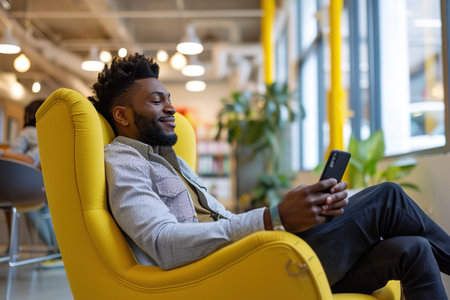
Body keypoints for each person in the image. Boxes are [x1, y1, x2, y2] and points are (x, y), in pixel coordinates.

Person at [89, 53, 449, 300]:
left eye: (168, 97)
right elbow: (165, 245)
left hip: (250, 259)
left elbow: (224, 222)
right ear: (122, 115)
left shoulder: (172, 162)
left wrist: (291, 217)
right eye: (156, 101)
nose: (170, 106)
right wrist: (272, 217)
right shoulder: (123, 161)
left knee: (412, 249)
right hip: (228, 277)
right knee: (387, 197)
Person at [0, 100, 59, 254]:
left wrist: (2, 153)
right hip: (50, 183)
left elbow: (14, 157)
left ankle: (52, 250)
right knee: (45, 212)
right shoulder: (54, 132)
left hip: (30, 185)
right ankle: (57, 251)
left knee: (24, 205)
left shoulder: (28, 132)